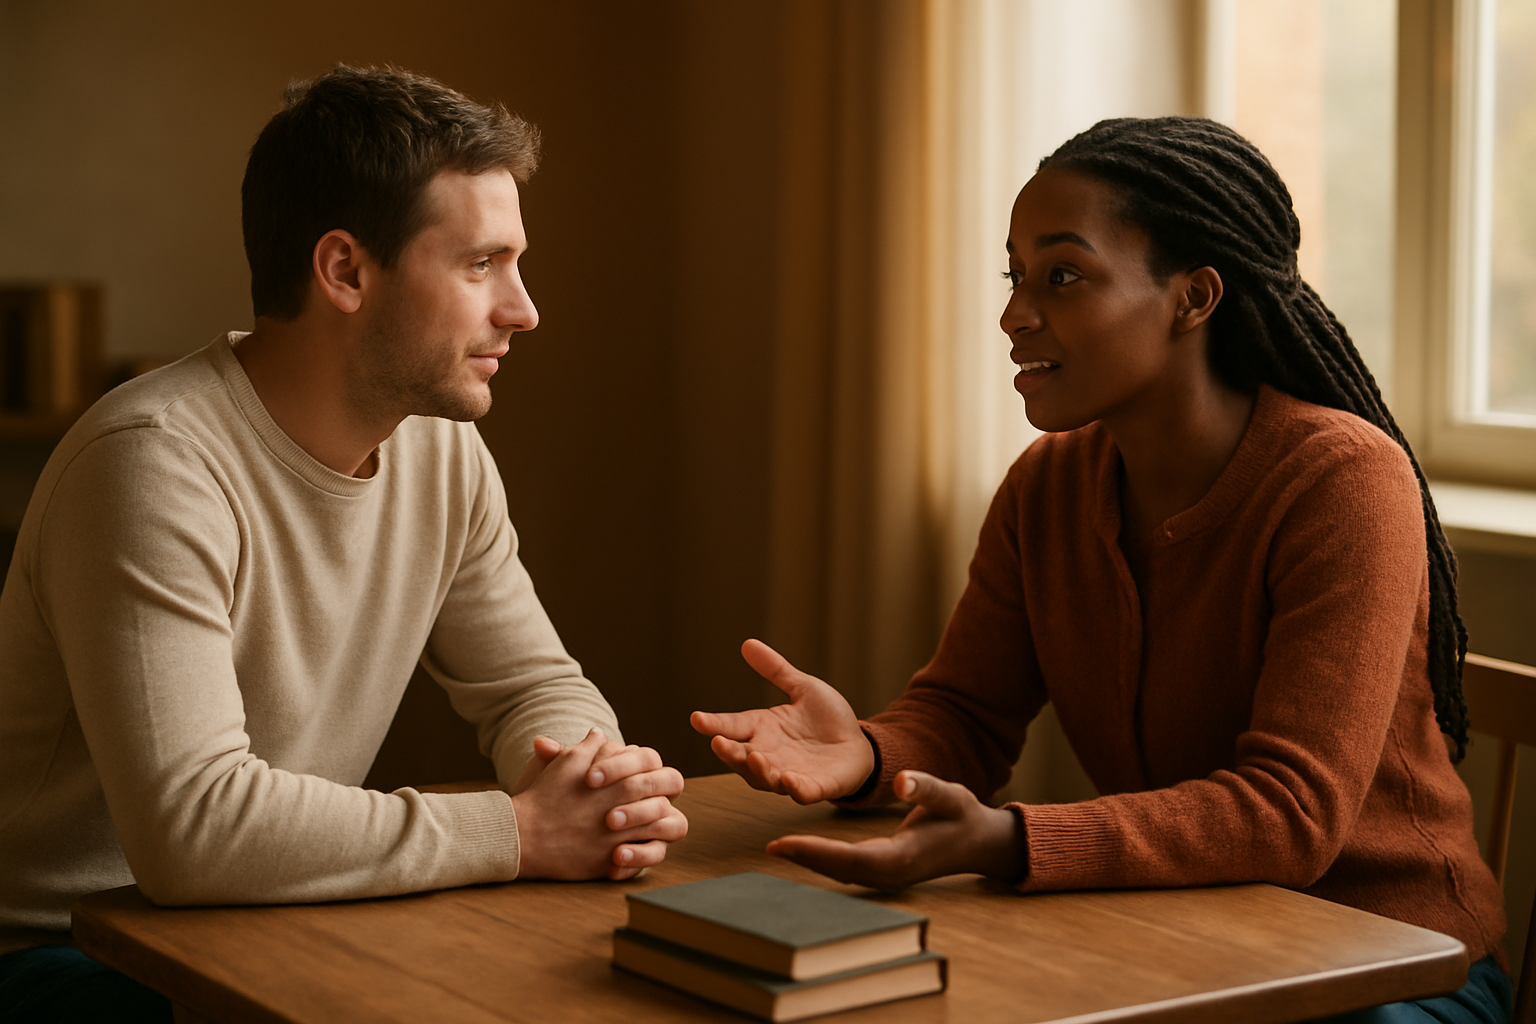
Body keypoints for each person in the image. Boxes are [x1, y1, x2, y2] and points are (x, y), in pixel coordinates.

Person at [691, 117, 1511, 1023]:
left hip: (1386, 967)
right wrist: (869, 754)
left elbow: (1290, 816)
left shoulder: (1340, 481)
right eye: (1015, 276)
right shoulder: (1050, 485)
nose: (1015, 312)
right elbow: (965, 713)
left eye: (1064, 276)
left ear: (1193, 298)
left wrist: (1008, 841)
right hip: (1177, 944)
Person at [0, 65, 686, 1021]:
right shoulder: (151, 465)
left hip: (258, 922)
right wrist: (520, 831)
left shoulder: (444, 453)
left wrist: (595, 785)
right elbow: (194, 829)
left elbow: (532, 686)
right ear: (346, 271)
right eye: (482, 264)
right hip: (61, 954)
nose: (523, 308)